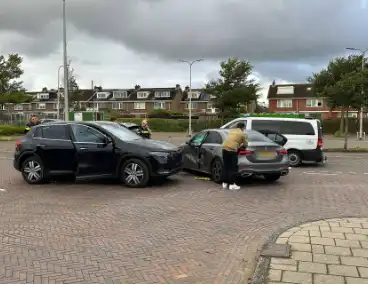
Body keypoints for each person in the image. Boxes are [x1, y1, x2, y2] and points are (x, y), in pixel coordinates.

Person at [222, 122, 248, 190]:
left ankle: (225, 183)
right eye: (244, 128)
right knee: (232, 168)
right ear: (242, 128)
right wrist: (242, 147)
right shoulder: (242, 133)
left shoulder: (231, 131)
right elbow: (245, 144)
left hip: (224, 148)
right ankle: (232, 184)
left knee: (226, 166)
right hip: (232, 150)